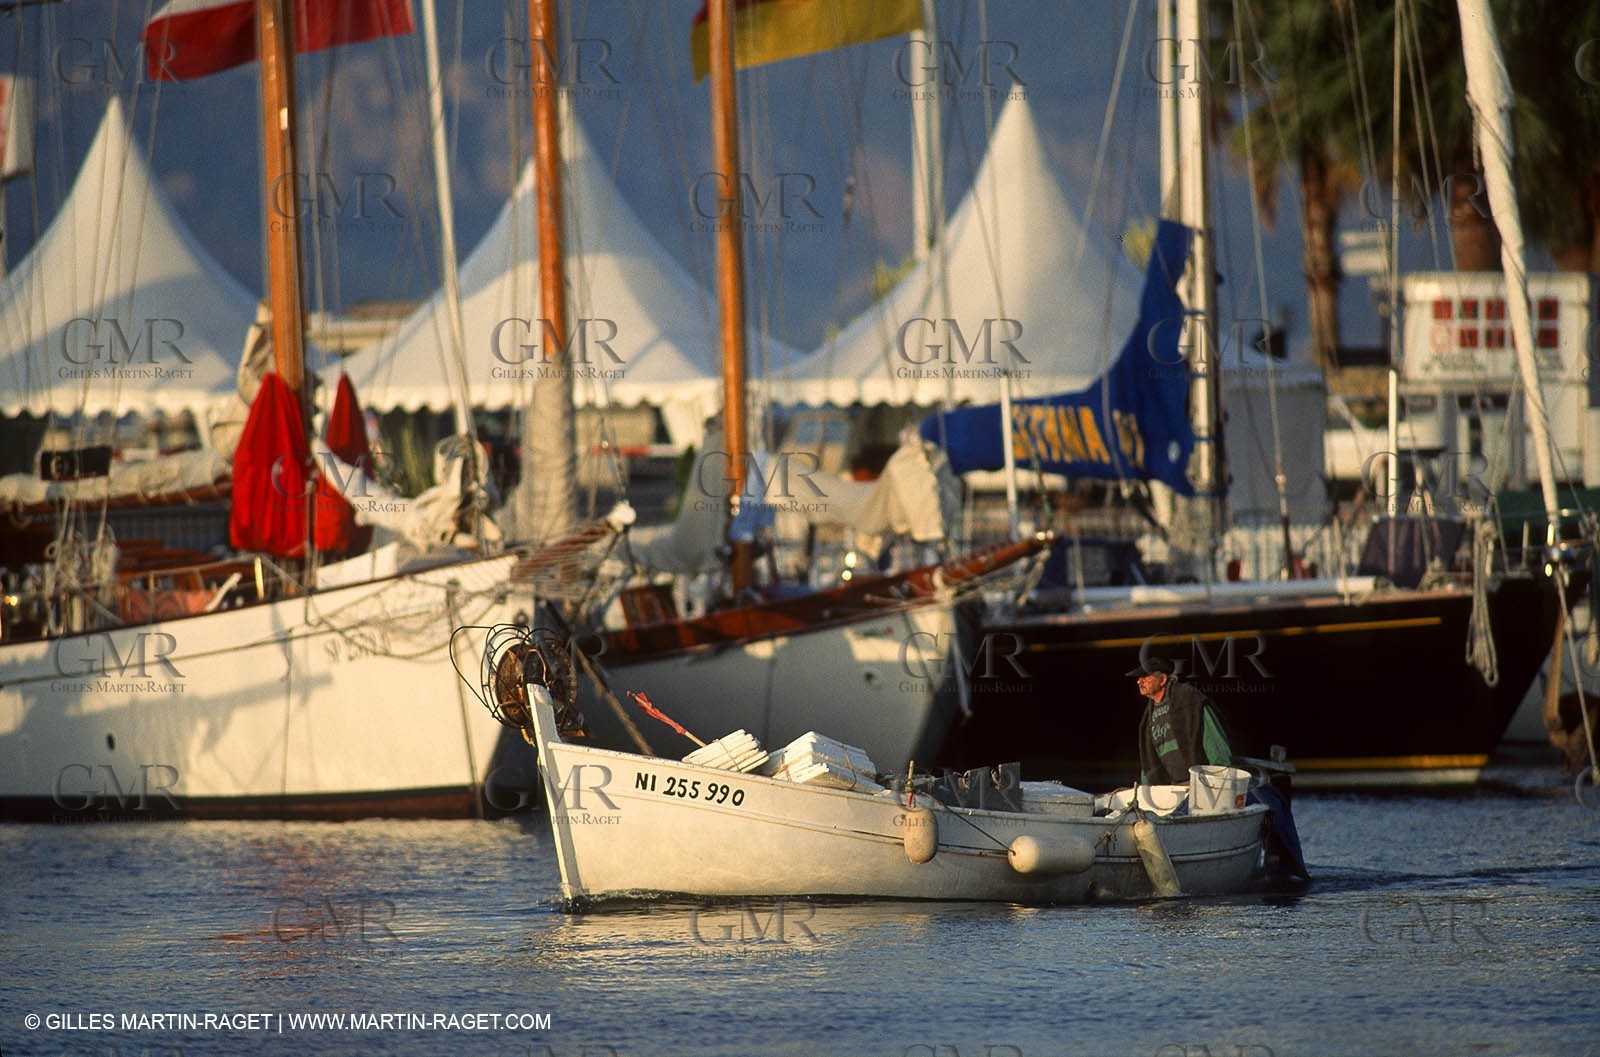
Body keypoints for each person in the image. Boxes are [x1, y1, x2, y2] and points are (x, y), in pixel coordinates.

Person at [1126, 657, 1234, 784]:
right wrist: (1147, 787)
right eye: (1138, 678)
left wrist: (1220, 777)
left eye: (1145, 676)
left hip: (1201, 782)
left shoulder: (1189, 699)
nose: (1139, 682)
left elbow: (1214, 741)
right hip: (1174, 787)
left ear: (1163, 679)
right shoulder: (1148, 717)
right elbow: (1148, 757)